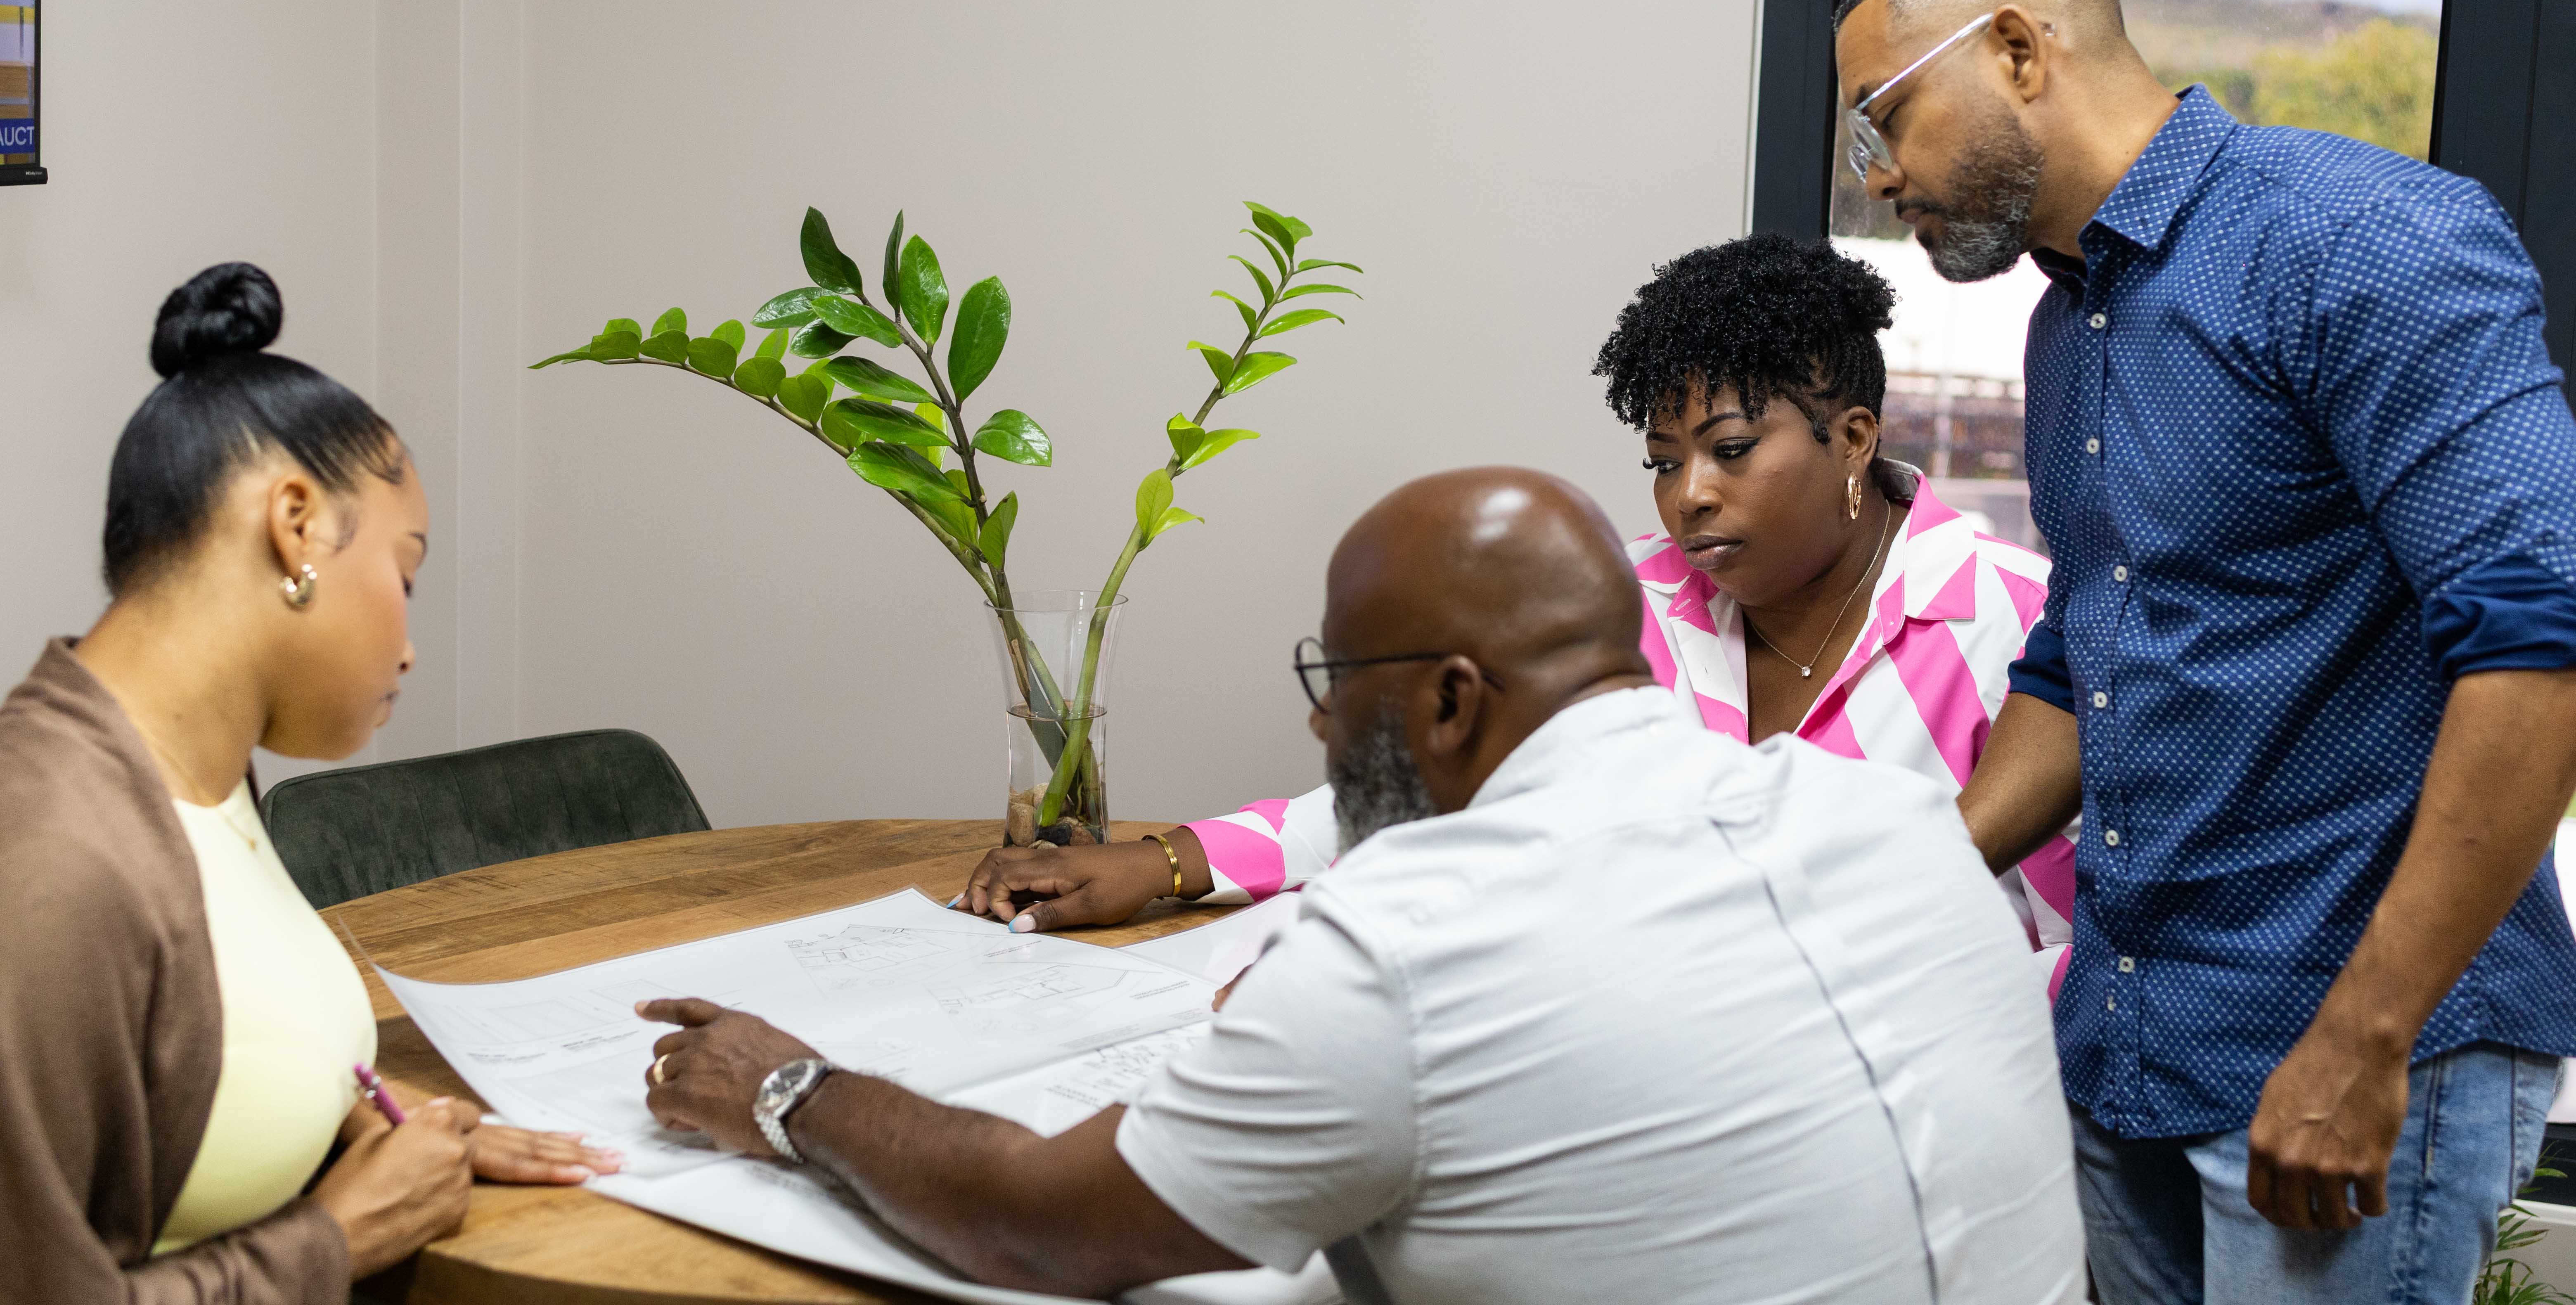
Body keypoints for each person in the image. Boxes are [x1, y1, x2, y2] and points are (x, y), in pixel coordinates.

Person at [640, 468, 2087, 1303]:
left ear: (1453, 703)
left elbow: (1032, 1219)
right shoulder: (1894, 827)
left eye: (1334, 686)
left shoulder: (1415, 949)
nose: (1321, 728)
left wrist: (785, 1089)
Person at [1836, 0, 2576, 1302]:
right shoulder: (2069, 326)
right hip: (2134, 1046)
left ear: (2013, 49)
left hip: (2351, 1049)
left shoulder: (2360, 242)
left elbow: (2539, 648)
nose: (1880, 179)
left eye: (1888, 120)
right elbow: (2086, 656)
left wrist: (2364, 1039)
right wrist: (1900, 881)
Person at [957, 234, 2081, 992]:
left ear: (1851, 438)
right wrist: (1166, 864)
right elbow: (1443, 785)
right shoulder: (1629, 603)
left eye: (1731, 451)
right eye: (1663, 460)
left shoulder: (2016, 627)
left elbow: (2080, 950)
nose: (1688, 494)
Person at [0, 263, 620, 1303]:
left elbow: (216, 1027)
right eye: (406, 573)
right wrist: (339, 1237)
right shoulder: (54, 848)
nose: (411, 646)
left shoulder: (190, 769)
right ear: (295, 523)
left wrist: (395, 1127)